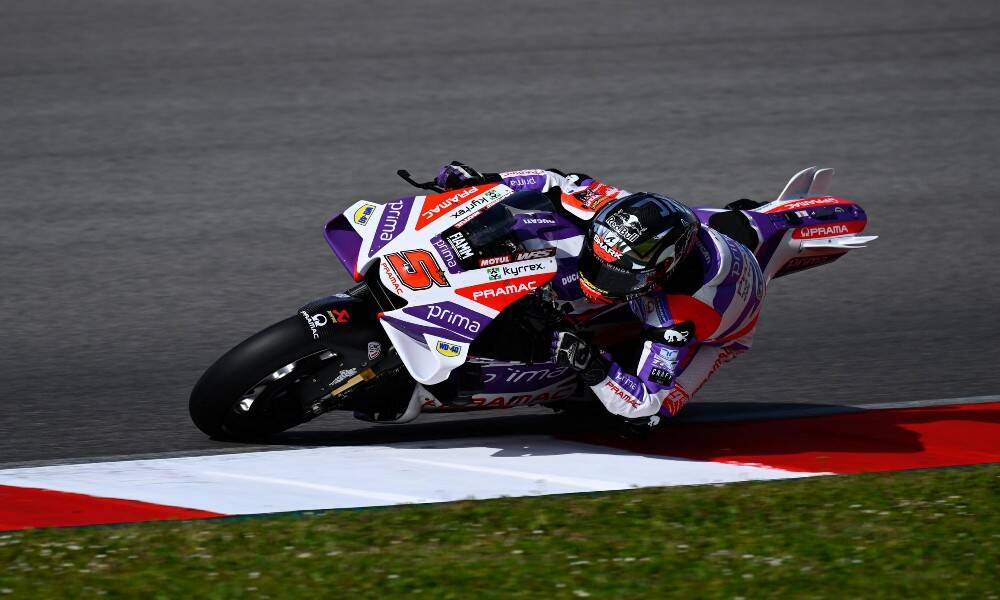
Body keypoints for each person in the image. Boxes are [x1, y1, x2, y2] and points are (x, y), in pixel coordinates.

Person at [433, 161, 766, 435]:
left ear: (659, 273)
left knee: (647, 418)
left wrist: (589, 363)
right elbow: (553, 180)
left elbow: (645, 404)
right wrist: (484, 182)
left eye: (613, 276)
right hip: (684, 249)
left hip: (715, 333)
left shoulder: (676, 320)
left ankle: (574, 382)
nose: (594, 280)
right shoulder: (617, 210)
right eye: (597, 264)